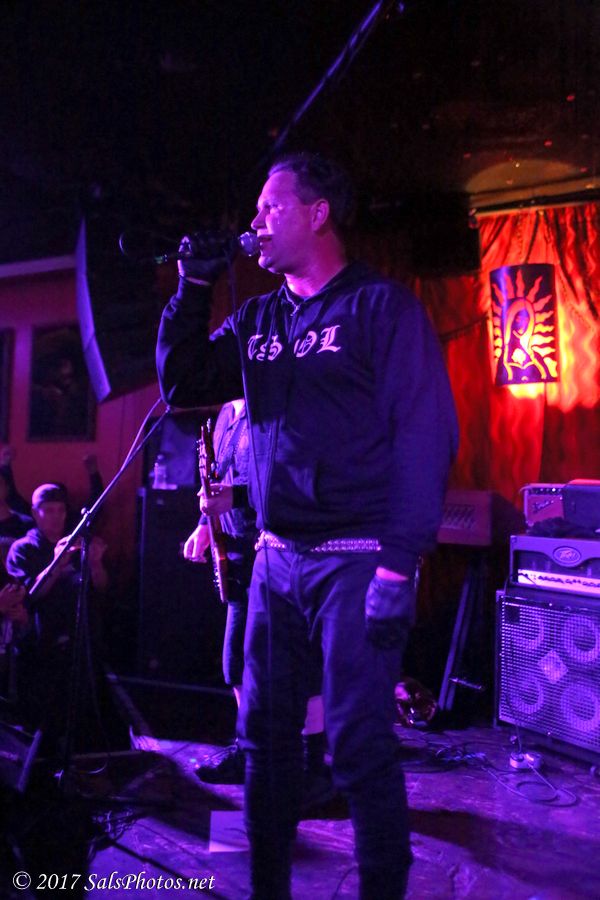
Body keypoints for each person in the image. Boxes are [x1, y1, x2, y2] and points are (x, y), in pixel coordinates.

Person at [157, 152, 458, 899]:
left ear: (317, 213)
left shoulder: (380, 310)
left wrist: (399, 561)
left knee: (357, 744)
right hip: (274, 562)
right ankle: (267, 887)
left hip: (357, 559)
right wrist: (192, 287)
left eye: (271, 207)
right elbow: (184, 386)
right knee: (263, 740)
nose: (255, 222)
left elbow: (425, 434)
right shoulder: (258, 319)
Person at [184, 399, 331, 798]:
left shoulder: (278, 403)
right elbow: (216, 476)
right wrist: (205, 523)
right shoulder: (226, 414)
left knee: (300, 661)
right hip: (238, 551)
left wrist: (237, 497)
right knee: (236, 661)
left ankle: (313, 767)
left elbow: (296, 478)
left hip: (280, 549)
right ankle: (249, 750)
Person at [5, 483, 109, 744]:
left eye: (60, 510)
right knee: (40, 721)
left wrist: (96, 563)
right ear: (35, 513)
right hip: (39, 646)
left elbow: (101, 589)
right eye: (48, 510)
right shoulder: (23, 548)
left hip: (77, 641)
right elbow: (30, 595)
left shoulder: (76, 544)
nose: (56, 516)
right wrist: (56, 563)